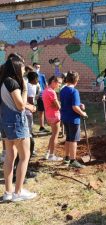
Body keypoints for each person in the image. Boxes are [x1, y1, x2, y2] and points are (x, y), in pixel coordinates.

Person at [0, 53, 37, 202]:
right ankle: (18, 192)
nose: (24, 71)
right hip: (16, 123)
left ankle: (8, 192)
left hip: (5, 123)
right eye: (22, 68)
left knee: (10, 156)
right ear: (15, 68)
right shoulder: (12, 83)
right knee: (24, 156)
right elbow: (20, 106)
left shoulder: (3, 82)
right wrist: (25, 88)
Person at [60, 71, 87, 168]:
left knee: (68, 138)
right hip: (73, 119)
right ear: (75, 80)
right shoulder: (74, 91)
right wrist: (83, 113)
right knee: (74, 140)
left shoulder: (63, 90)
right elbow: (74, 107)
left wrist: (79, 105)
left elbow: (69, 103)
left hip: (65, 118)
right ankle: (73, 160)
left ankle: (66, 158)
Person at [43, 76, 63, 161]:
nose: (60, 85)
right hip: (54, 115)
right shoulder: (52, 92)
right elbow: (58, 106)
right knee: (55, 136)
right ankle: (52, 155)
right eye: (59, 83)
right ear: (54, 82)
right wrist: (60, 104)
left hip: (48, 115)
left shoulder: (46, 90)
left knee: (53, 135)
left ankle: (47, 153)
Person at [25, 71, 39, 156]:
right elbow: (30, 99)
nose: (38, 80)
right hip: (28, 112)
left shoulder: (28, 85)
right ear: (34, 79)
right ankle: (30, 150)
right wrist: (33, 108)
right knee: (29, 131)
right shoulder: (31, 87)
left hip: (26, 111)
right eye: (37, 78)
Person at [33, 62, 49, 133]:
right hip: (32, 96)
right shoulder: (29, 76)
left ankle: (42, 127)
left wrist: (47, 93)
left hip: (41, 96)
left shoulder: (42, 75)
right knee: (30, 112)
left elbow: (46, 85)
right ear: (33, 67)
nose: (37, 68)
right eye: (36, 67)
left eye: (38, 67)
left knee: (41, 111)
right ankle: (29, 128)